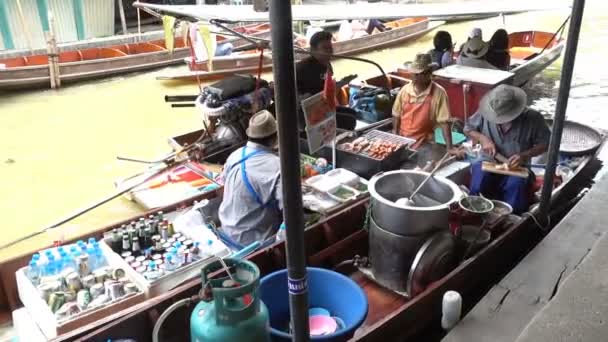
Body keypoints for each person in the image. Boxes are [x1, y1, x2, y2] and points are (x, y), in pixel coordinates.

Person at [464, 85, 551, 214]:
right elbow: (468, 128)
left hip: (517, 168)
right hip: (488, 162)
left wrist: (525, 155)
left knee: (515, 190)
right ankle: (475, 215)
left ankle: (510, 222)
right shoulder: (486, 111)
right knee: (478, 186)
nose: (498, 121)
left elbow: (545, 144)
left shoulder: (533, 118)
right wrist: (483, 139)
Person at [218, 110, 283, 247]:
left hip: (227, 230)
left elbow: (224, 182)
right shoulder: (276, 165)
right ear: (275, 137)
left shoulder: (235, 155)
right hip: (253, 241)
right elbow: (289, 208)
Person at [392, 53, 456, 156]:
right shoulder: (405, 90)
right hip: (403, 140)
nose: (415, 77)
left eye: (418, 74)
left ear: (428, 73)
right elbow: (396, 114)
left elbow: (445, 123)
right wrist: (395, 135)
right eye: (414, 74)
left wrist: (450, 148)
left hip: (424, 142)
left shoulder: (439, 93)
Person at [296, 31, 357, 131]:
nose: (330, 52)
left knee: (352, 113)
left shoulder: (327, 65)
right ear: (313, 50)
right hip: (307, 114)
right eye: (325, 48)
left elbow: (328, 90)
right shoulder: (301, 69)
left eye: (330, 48)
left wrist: (342, 83)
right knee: (349, 121)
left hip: (322, 107)